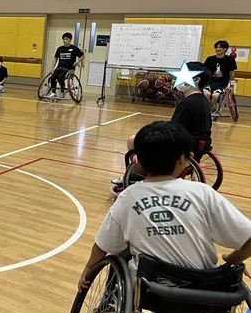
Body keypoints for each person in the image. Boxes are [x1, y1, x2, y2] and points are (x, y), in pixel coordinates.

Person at [78, 121, 251, 293]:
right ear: (183, 160)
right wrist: (232, 260)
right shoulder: (202, 192)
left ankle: (107, 308)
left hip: (151, 291)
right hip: (204, 290)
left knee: (123, 252)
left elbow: (103, 245)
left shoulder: (127, 197)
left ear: (139, 162)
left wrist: (88, 270)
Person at [111, 62, 212, 196]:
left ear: (196, 79)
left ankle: (140, 175)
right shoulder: (202, 100)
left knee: (133, 141)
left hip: (182, 148)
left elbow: (173, 131)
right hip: (198, 146)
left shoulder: (187, 104)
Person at [203, 40, 237, 118]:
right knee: (206, 94)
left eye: (220, 47)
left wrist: (232, 86)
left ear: (225, 49)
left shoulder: (230, 60)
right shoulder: (210, 59)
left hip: (221, 84)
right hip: (210, 82)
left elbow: (231, 73)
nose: (218, 49)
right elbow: (204, 71)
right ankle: (208, 109)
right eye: (216, 47)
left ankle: (215, 110)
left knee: (215, 95)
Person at [49, 33, 84, 98]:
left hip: (69, 68)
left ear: (70, 40)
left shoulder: (74, 48)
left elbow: (82, 56)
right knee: (53, 77)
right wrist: (52, 68)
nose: (65, 40)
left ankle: (62, 92)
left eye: (66, 39)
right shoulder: (60, 49)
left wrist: (77, 62)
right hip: (59, 68)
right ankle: (53, 93)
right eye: (64, 39)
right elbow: (55, 58)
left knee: (60, 77)